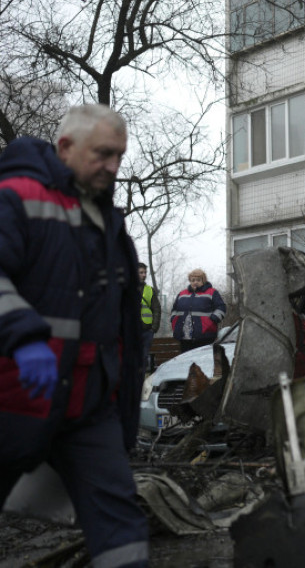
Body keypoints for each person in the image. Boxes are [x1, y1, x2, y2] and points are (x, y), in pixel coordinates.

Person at [0, 104, 149, 567]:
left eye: (120, 156)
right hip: (14, 395)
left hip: (88, 403)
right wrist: (24, 337)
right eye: (103, 154)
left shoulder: (105, 216)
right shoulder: (16, 196)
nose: (113, 167)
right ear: (65, 147)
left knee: (120, 524)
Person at [170, 268, 226, 353]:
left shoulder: (212, 292)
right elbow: (174, 309)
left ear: (203, 280)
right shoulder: (182, 294)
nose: (195, 282)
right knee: (185, 360)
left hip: (205, 335)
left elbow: (221, 307)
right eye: (193, 280)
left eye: (198, 280)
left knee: (202, 361)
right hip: (184, 336)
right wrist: (173, 318)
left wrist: (213, 319)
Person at [138, 263, 161, 371]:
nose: (144, 275)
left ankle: (141, 381)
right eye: (141, 272)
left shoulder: (149, 289)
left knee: (143, 358)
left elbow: (157, 309)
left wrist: (153, 328)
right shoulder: (127, 289)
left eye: (145, 272)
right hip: (130, 331)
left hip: (147, 330)